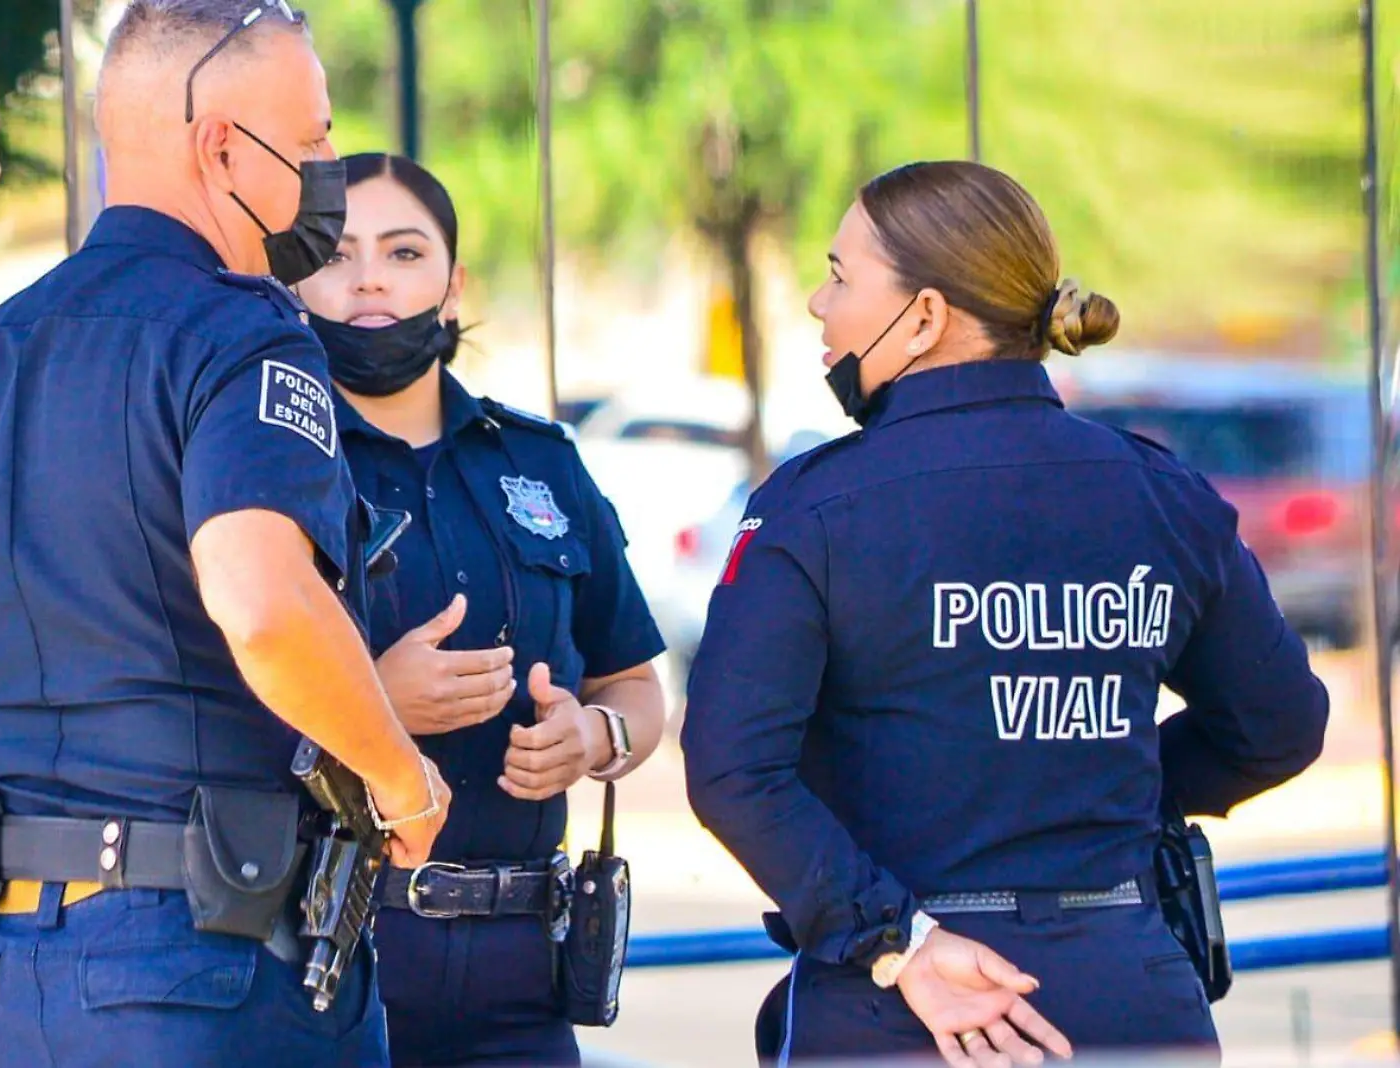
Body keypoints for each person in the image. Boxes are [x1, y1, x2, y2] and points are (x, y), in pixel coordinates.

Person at [0, 4, 448, 1067]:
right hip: (213, 971)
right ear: (221, 146)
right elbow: (261, 605)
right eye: (310, 140)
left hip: (12, 974)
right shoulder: (242, 334)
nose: (326, 169)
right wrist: (401, 781)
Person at [681, 160, 1329, 1068]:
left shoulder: (816, 506)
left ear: (929, 315)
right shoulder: (1161, 492)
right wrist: (1118, 793)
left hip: (907, 1013)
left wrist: (895, 940)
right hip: (1134, 993)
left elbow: (731, 768)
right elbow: (1282, 723)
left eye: (839, 276)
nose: (818, 306)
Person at [295, 152, 667, 1067]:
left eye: (405, 252)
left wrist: (595, 739)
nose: (371, 277)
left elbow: (636, 685)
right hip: (326, 952)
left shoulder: (541, 464)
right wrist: (368, 705)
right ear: (294, 280)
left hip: (521, 975)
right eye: (338, 254)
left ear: (453, 286)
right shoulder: (270, 466)